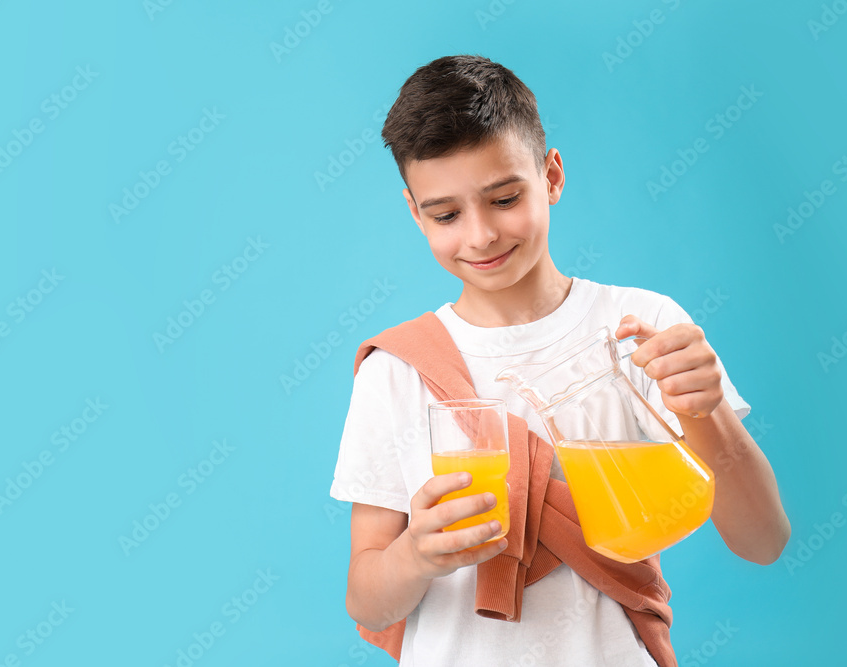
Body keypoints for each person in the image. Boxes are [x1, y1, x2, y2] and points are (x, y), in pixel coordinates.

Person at [329, 54, 790, 667]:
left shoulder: (639, 330)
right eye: (446, 214)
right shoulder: (397, 369)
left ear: (551, 177)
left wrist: (707, 412)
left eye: (504, 198)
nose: (481, 235)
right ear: (415, 213)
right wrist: (416, 556)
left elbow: (763, 541)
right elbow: (367, 602)